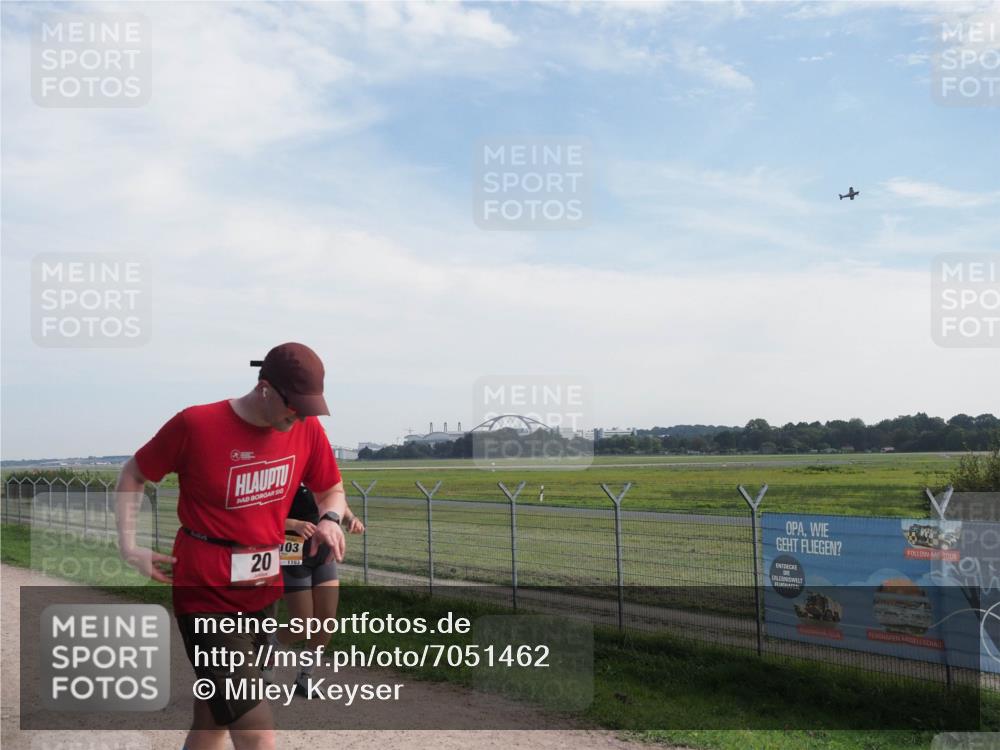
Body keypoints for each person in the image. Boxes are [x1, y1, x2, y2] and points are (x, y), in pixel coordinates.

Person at [116, 342, 349, 750]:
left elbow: (332, 487)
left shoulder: (306, 428)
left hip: (262, 591)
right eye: (293, 407)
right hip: (205, 592)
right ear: (265, 388)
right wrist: (129, 545)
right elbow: (134, 473)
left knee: (211, 722)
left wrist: (330, 519)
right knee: (256, 731)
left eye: (308, 409)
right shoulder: (197, 425)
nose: (299, 417)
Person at [272, 484, 364, 696]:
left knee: (327, 620)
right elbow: (262, 517)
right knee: (302, 625)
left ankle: (305, 676)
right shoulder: (284, 472)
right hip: (293, 548)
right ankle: (268, 652)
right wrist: (294, 524)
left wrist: (351, 519)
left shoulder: (321, 472)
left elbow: (335, 500)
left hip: (323, 548)